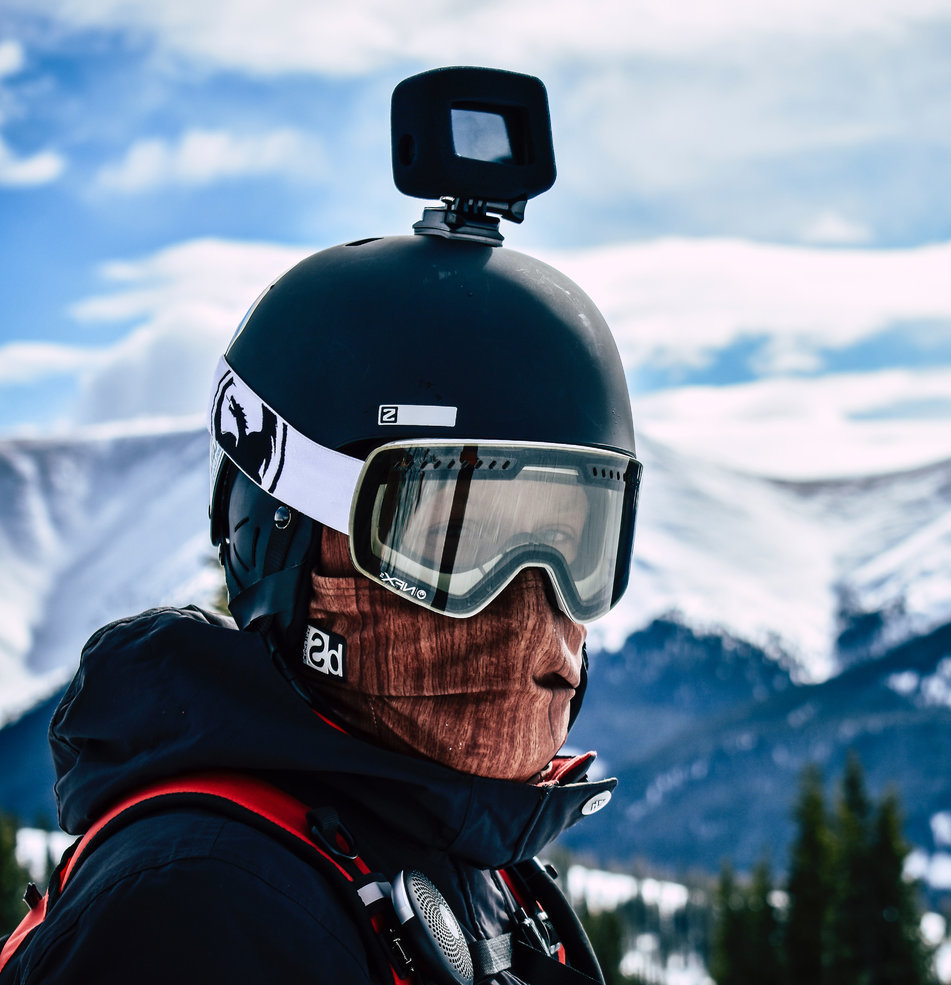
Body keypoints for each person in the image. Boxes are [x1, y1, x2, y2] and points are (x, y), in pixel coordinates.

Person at [0, 67, 642, 984]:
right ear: (281, 539)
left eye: (572, 540)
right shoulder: (201, 911)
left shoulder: (467, 862)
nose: (531, 603)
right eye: (455, 536)